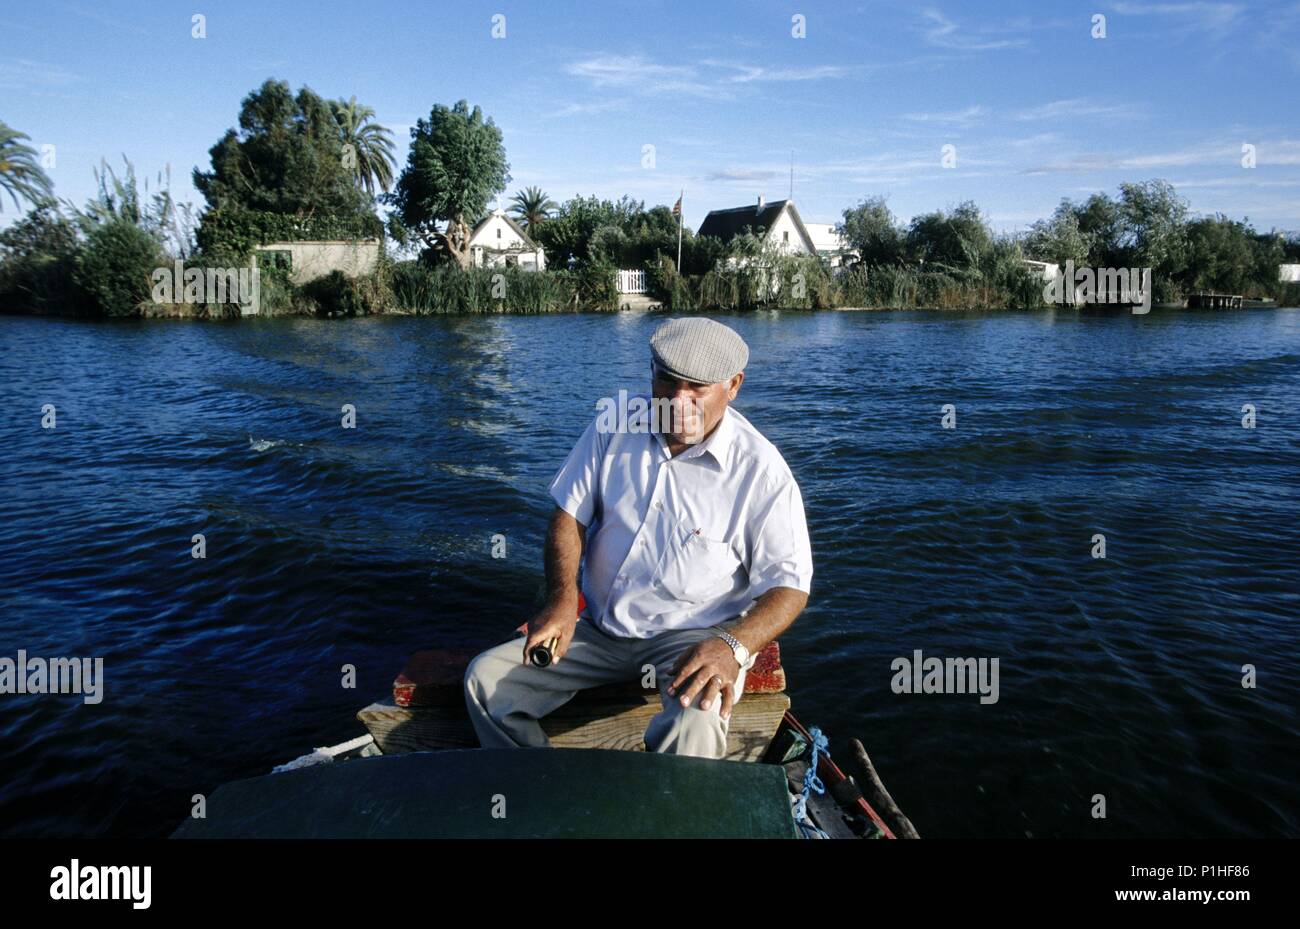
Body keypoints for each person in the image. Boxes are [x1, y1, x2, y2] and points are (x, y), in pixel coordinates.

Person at [463, 316, 813, 759]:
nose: (678, 402)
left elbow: (790, 587)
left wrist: (732, 647)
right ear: (651, 372)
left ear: (734, 385)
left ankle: (666, 815)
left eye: (697, 388)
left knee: (697, 719)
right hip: (596, 629)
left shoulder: (762, 472)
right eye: (668, 382)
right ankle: (549, 792)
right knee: (485, 683)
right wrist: (563, 599)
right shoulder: (614, 426)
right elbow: (569, 516)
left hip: (690, 637)